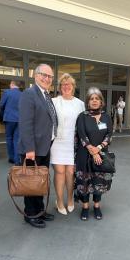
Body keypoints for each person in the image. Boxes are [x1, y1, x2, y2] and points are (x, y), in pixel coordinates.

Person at [18, 64, 57, 228]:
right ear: (35, 75)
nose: (47, 79)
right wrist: (30, 150)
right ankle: (31, 214)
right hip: (33, 149)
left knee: (40, 181)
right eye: (44, 75)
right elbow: (25, 124)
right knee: (30, 183)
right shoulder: (29, 94)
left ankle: (40, 210)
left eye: (50, 77)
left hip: (45, 146)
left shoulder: (46, 95)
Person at [75, 87, 113, 221]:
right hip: (84, 155)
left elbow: (109, 134)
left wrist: (99, 148)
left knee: (98, 181)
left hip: (101, 154)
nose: (95, 101)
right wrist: (92, 150)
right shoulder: (82, 117)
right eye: (92, 99)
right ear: (88, 102)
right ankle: (85, 207)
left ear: (101, 101)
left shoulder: (106, 117)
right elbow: (82, 135)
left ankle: (97, 206)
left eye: (97, 98)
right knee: (84, 182)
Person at [50, 73, 85, 215]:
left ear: (73, 86)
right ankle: (59, 200)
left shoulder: (80, 103)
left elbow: (84, 124)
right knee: (60, 172)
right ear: (59, 87)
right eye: (63, 84)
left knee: (70, 172)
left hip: (73, 143)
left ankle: (70, 198)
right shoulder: (53, 101)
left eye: (69, 84)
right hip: (57, 142)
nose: (66, 87)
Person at [0, 80, 22, 164]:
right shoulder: (22, 94)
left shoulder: (7, 92)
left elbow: (1, 105)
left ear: (12, 84)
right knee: (17, 139)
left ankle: (11, 157)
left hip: (9, 119)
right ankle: (17, 160)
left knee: (9, 138)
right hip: (19, 119)